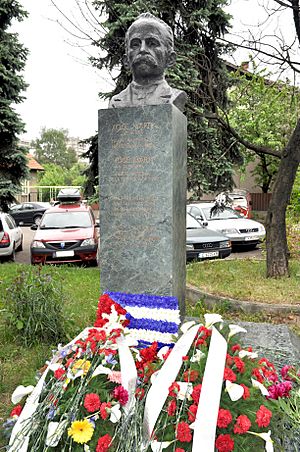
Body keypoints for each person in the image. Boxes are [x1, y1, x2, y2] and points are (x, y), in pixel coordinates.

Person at [109, 12, 187, 112]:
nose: (142, 49)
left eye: (152, 43)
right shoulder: (116, 102)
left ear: (170, 59)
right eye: (135, 44)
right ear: (126, 60)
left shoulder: (174, 97)